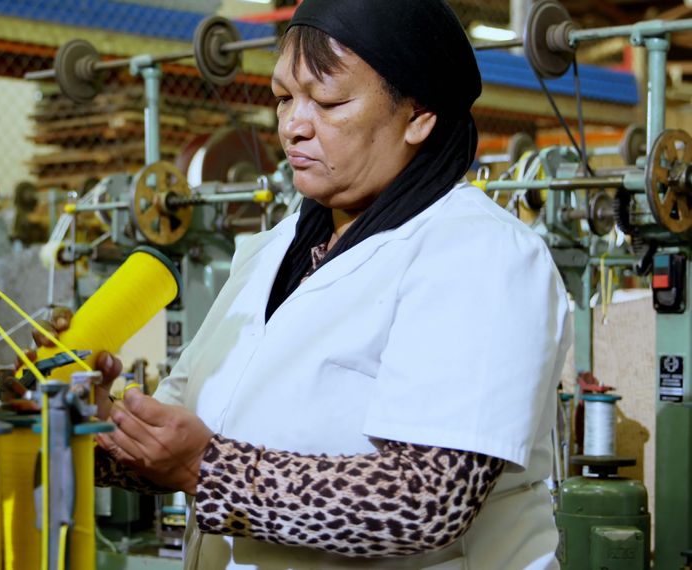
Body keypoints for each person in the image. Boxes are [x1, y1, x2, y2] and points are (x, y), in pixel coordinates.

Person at [35, 1, 570, 567]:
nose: (293, 125)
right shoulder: (274, 250)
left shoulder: (480, 256)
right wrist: (91, 417)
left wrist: (205, 469)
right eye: (284, 98)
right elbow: (177, 432)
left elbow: (425, 499)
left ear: (418, 114)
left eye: (329, 100)